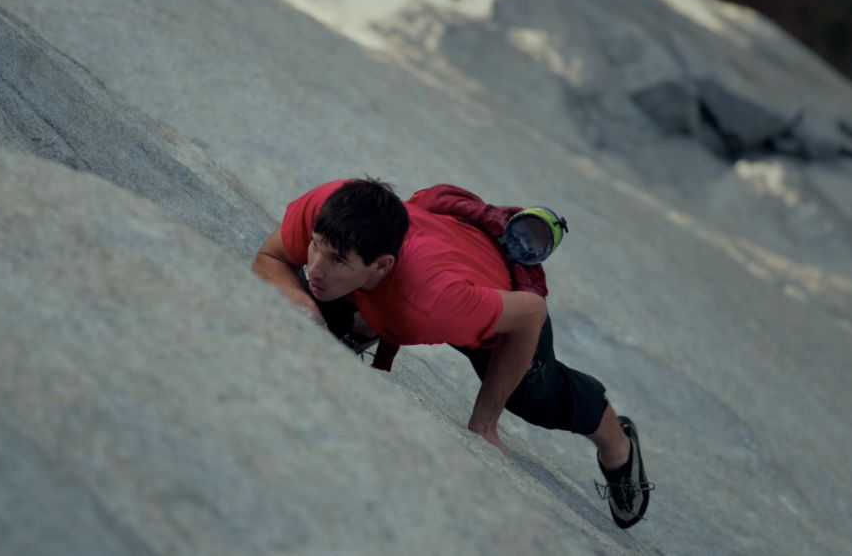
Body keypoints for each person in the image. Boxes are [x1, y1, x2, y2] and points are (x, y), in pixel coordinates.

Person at [251, 178, 654, 528]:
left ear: (381, 266)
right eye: (316, 246)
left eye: (337, 260)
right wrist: (308, 313)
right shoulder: (330, 205)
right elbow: (271, 258)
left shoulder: (430, 303)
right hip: (440, 252)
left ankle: (618, 445)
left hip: (497, 309)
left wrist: (485, 424)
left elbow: (530, 314)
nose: (315, 265)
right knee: (310, 298)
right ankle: (366, 321)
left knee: (534, 397)